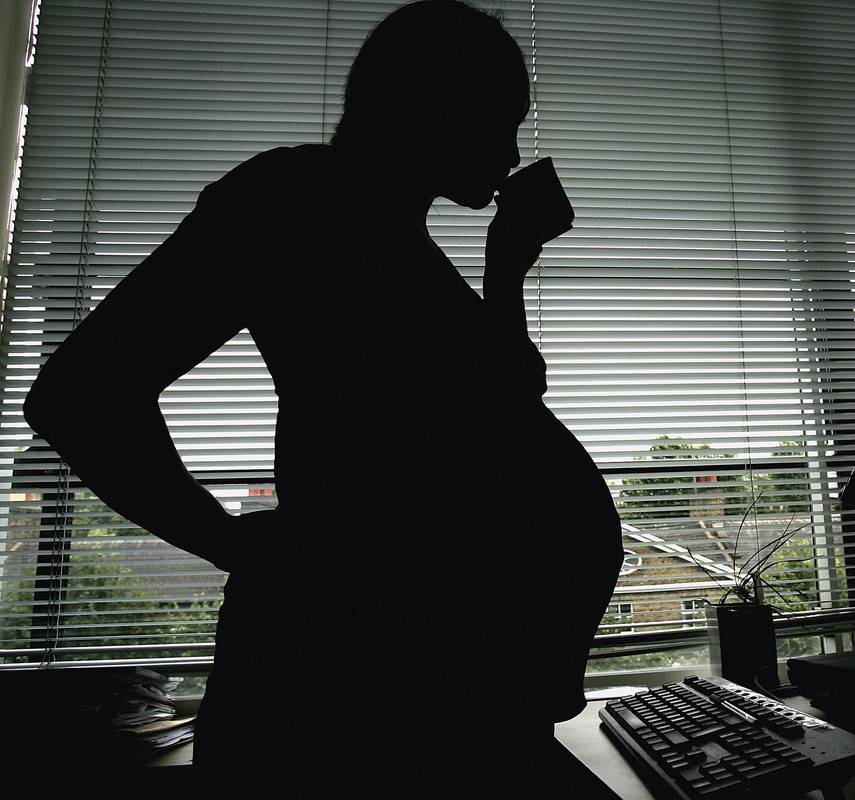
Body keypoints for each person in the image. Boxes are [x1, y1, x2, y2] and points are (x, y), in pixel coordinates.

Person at [22, 1, 623, 794]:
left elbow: (506, 401)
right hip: (353, 701)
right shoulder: (298, 197)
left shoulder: (394, 239)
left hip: (449, 697)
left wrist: (506, 265)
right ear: (433, 105)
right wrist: (233, 544)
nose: (511, 150)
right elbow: (80, 392)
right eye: (499, 119)